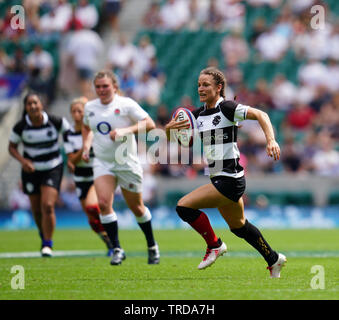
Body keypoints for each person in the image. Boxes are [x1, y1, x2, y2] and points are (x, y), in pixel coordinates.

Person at [165, 67, 286, 278]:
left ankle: (214, 245)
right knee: (239, 227)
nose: (201, 89)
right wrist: (169, 130)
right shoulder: (198, 114)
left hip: (229, 180)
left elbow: (261, 114)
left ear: (219, 87)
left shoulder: (227, 108)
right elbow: (179, 139)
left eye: (206, 85)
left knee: (183, 207)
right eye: (199, 85)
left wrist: (271, 140)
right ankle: (273, 259)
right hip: (220, 178)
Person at [81, 70, 160, 265]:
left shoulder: (126, 104)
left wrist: (126, 130)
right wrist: (85, 145)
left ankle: (152, 245)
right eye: (98, 86)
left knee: (137, 208)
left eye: (105, 86)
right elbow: (85, 126)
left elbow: (149, 124)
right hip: (103, 162)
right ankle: (117, 248)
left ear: (114, 87)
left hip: (126, 163)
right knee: (103, 203)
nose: (101, 90)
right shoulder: (90, 107)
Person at [8, 92, 70, 257]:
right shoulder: (21, 126)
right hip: (31, 170)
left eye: (36, 103)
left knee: (48, 205)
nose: (33, 106)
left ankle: (47, 244)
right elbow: (12, 147)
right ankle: (43, 235)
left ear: (41, 105)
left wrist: (71, 155)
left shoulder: (55, 121)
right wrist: (24, 161)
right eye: (29, 104)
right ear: (26, 107)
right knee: (36, 210)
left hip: (52, 167)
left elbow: (69, 134)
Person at [63, 97, 114, 256]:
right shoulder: (69, 134)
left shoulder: (95, 129)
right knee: (92, 220)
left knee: (93, 207)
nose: (77, 114)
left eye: (80, 111)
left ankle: (114, 241)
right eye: (74, 111)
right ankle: (110, 242)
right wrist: (84, 150)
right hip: (80, 178)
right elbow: (72, 159)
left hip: (96, 174)